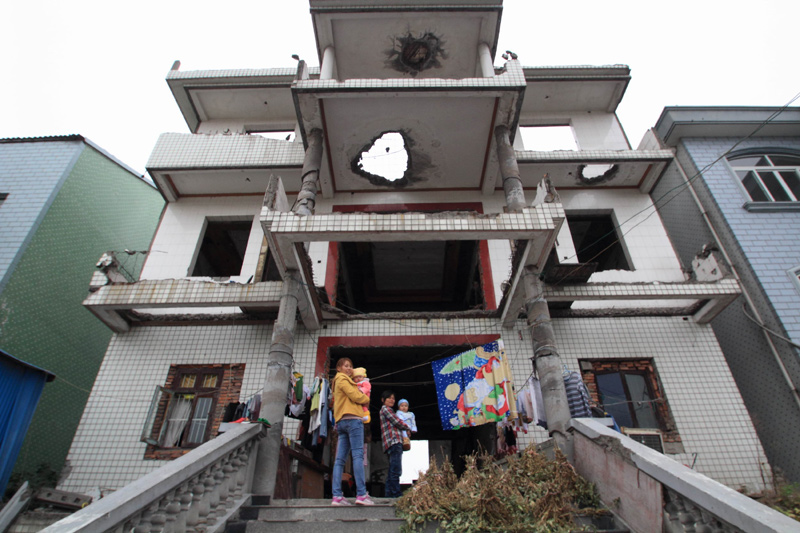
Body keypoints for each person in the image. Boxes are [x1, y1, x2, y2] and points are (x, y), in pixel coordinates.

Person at [331, 357, 374, 506]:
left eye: (351, 366)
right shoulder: (342, 380)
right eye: (346, 366)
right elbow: (355, 395)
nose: (349, 368)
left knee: (340, 460)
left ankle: (337, 496)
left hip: (342, 422)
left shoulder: (341, 381)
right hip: (353, 420)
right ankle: (361, 494)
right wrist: (365, 400)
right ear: (339, 368)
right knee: (357, 456)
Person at [379, 389, 410, 498]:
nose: (392, 400)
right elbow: (397, 421)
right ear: (383, 400)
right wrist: (407, 427)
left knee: (392, 469)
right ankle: (396, 494)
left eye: (393, 398)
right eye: (389, 398)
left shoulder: (387, 410)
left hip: (390, 443)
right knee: (396, 470)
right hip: (394, 441)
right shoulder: (386, 409)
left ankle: (389, 495)